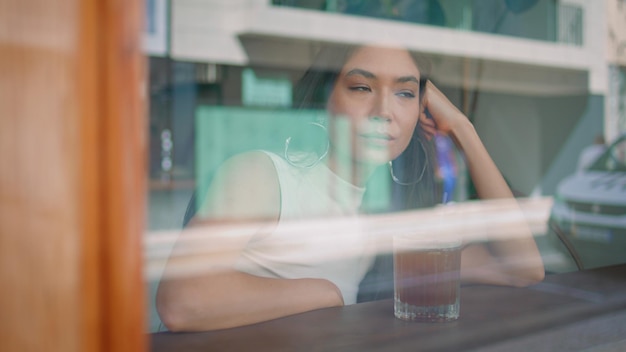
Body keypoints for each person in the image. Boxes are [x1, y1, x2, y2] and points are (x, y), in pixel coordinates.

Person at [156, 44, 545, 332]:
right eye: (361, 88)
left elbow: (523, 268)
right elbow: (182, 302)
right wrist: (325, 295)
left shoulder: (388, 216)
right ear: (325, 98)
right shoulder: (263, 173)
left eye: (406, 93)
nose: (384, 111)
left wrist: (463, 129)